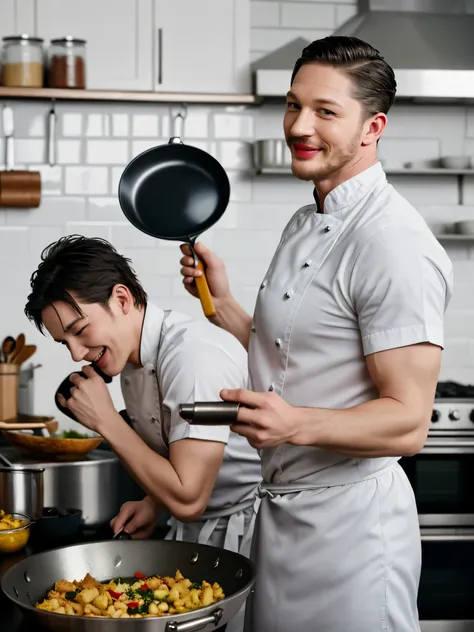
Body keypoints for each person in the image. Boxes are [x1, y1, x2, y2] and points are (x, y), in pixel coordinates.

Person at [179, 35, 453, 632]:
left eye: (326, 112)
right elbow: (296, 356)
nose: (299, 125)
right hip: (282, 518)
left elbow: (409, 423)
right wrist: (222, 305)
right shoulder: (309, 218)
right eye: (292, 104)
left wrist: (294, 423)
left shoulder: (392, 243)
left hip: (352, 533)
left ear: (371, 127)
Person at [24, 235, 262, 632]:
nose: (77, 354)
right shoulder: (133, 361)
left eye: (80, 330)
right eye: (66, 342)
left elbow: (188, 497)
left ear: (121, 299)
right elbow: (181, 460)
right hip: (203, 535)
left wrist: (106, 421)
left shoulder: (192, 357)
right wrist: (154, 502)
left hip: (252, 534)